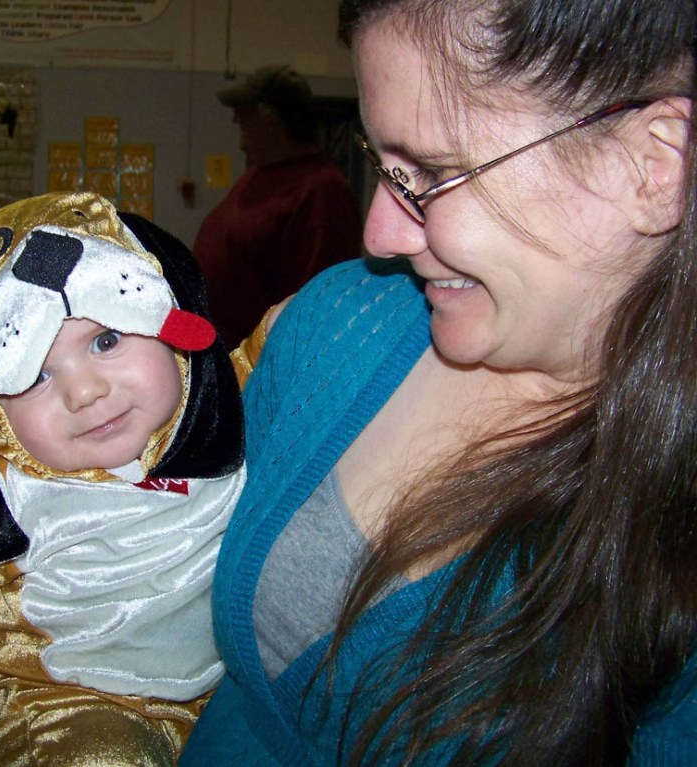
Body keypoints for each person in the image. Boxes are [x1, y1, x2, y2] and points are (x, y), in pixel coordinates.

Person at [179, 0, 697, 764]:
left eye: (434, 172)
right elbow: (177, 581)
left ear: (652, 165)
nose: (380, 235)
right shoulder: (339, 322)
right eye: (385, 166)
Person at [0, 192, 248, 764]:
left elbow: (300, 339)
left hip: (230, 691)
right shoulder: (11, 496)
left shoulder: (220, 407)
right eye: (33, 374)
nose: (86, 393)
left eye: (106, 341)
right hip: (72, 702)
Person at [192, 64, 363, 348]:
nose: (236, 120)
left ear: (271, 119)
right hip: (223, 354)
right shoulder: (259, 176)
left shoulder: (321, 190)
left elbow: (316, 303)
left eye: (245, 112)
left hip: (259, 364)